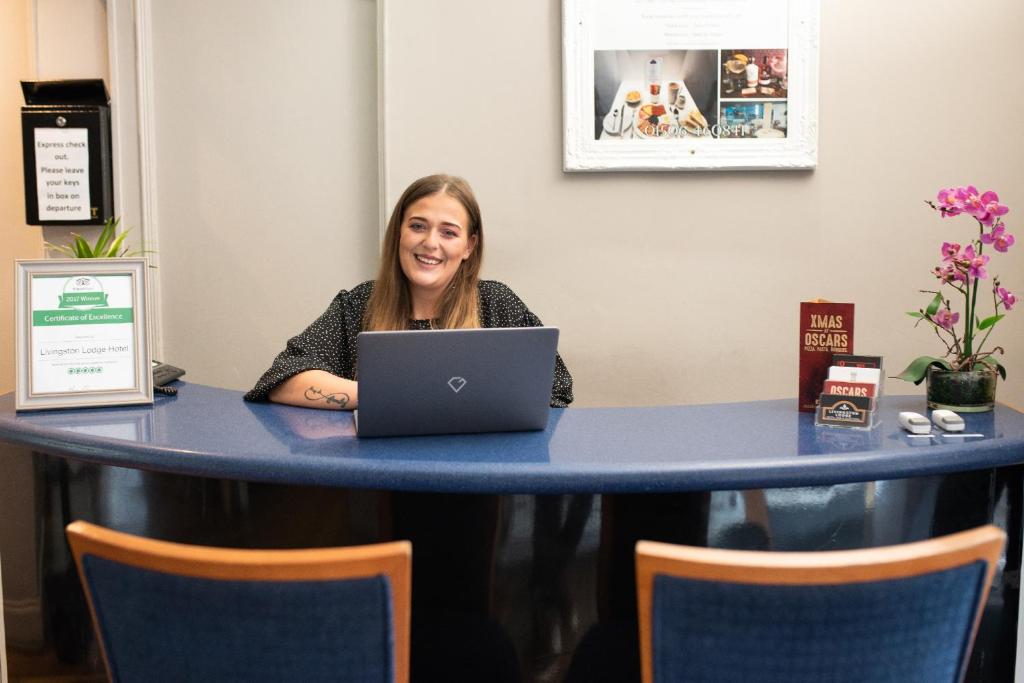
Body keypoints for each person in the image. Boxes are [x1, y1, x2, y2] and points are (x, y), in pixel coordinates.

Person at [244, 173, 573, 409]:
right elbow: (283, 379)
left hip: (477, 474)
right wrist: (389, 397)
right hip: (376, 477)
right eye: (417, 226)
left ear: (469, 246)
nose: (430, 243)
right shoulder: (359, 304)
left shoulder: (496, 304)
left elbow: (555, 388)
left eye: (448, 232)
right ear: (398, 233)